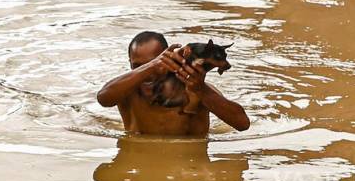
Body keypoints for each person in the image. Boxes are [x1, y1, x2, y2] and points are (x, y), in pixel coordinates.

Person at [96, 31, 250, 136]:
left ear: (172, 60)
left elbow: (242, 124)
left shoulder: (194, 88)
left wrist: (201, 90)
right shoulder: (126, 88)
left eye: (157, 63)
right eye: (139, 66)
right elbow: (103, 98)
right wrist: (152, 66)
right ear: (130, 64)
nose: (149, 75)